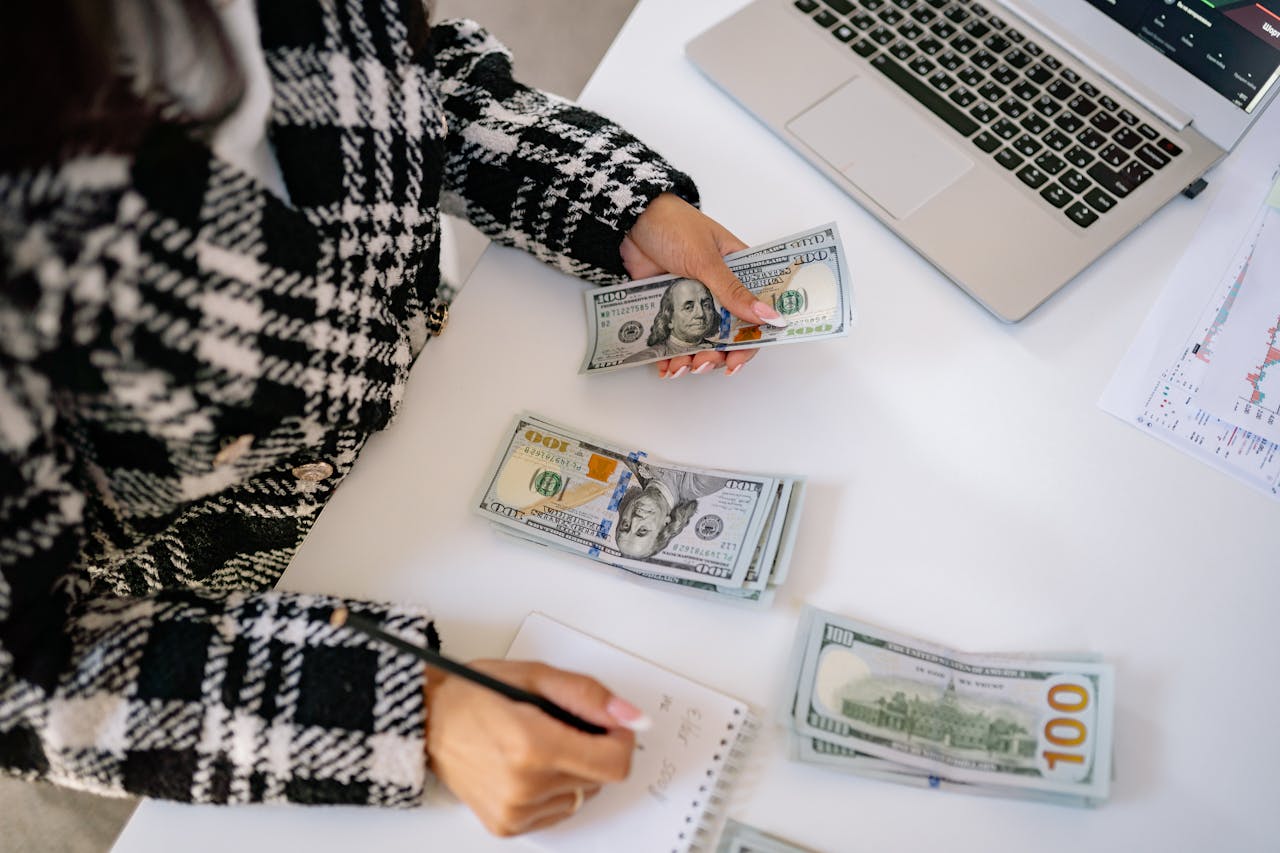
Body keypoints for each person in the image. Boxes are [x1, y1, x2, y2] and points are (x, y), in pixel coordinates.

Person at [0, 0, 787, 838]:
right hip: (210, 625)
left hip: (445, 397)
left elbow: (414, 81)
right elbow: (23, 674)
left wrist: (619, 206)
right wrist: (411, 712)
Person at [615, 460, 729, 559]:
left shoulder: (630, 464)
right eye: (643, 530)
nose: (635, 519)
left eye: (625, 525)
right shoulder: (700, 483)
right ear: (666, 524)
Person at [622, 277, 720, 364]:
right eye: (688, 307)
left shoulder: (724, 349)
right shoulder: (643, 359)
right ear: (669, 319)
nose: (701, 314)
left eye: (706, 305)